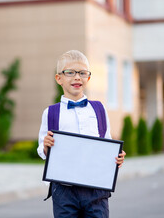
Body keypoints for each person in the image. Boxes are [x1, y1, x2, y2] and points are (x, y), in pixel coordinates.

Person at [37, 50, 126, 218]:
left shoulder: (99, 109)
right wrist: (47, 146)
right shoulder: (50, 113)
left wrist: (116, 157)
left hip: (96, 189)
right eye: (70, 72)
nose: (77, 77)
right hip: (64, 190)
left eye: (82, 73)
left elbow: (106, 142)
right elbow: (42, 150)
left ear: (88, 78)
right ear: (59, 79)